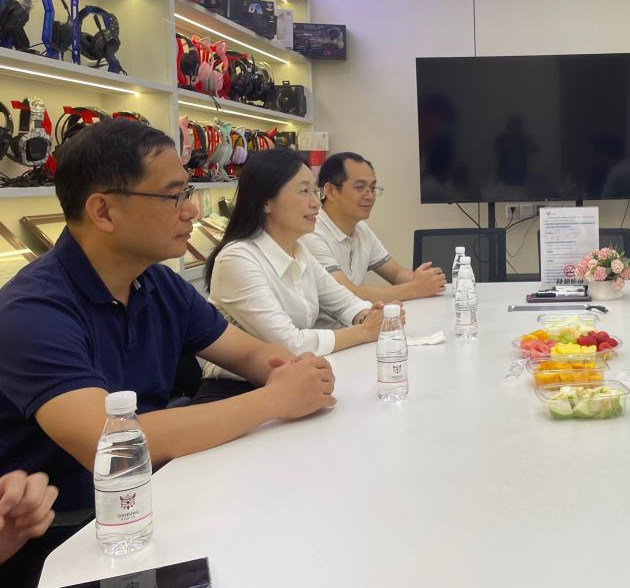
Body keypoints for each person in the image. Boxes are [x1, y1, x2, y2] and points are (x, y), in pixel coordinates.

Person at [0, 121, 336, 545]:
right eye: (173, 195)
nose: (191, 210)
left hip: (157, 496)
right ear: (103, 211)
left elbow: (248, 354)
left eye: (188, 192)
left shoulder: (157, 283)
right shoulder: (32, 310)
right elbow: (109, 445)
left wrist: (293, 371)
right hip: (68, 532)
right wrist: (274, 399)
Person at [198, 149, 389, 400]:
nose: (316, 203)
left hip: (294, 381)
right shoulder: (237, 258)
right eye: (303, 191)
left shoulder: (298, 250)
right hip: (237, 392)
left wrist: (369, 314)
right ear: (266, 202)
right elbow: (289, 344)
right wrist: (364, 331)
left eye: (314, 191)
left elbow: (343, 301)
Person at [303, 152, 446, 300]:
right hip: (335, 316)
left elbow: (396, 273)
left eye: (372, 188)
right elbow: (347, 293)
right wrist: (416, 288)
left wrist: (423, 280)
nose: (370, 196)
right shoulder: (312, 233)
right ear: (330, 191)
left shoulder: (361, 229)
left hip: (359, 313)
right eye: (360, 187)